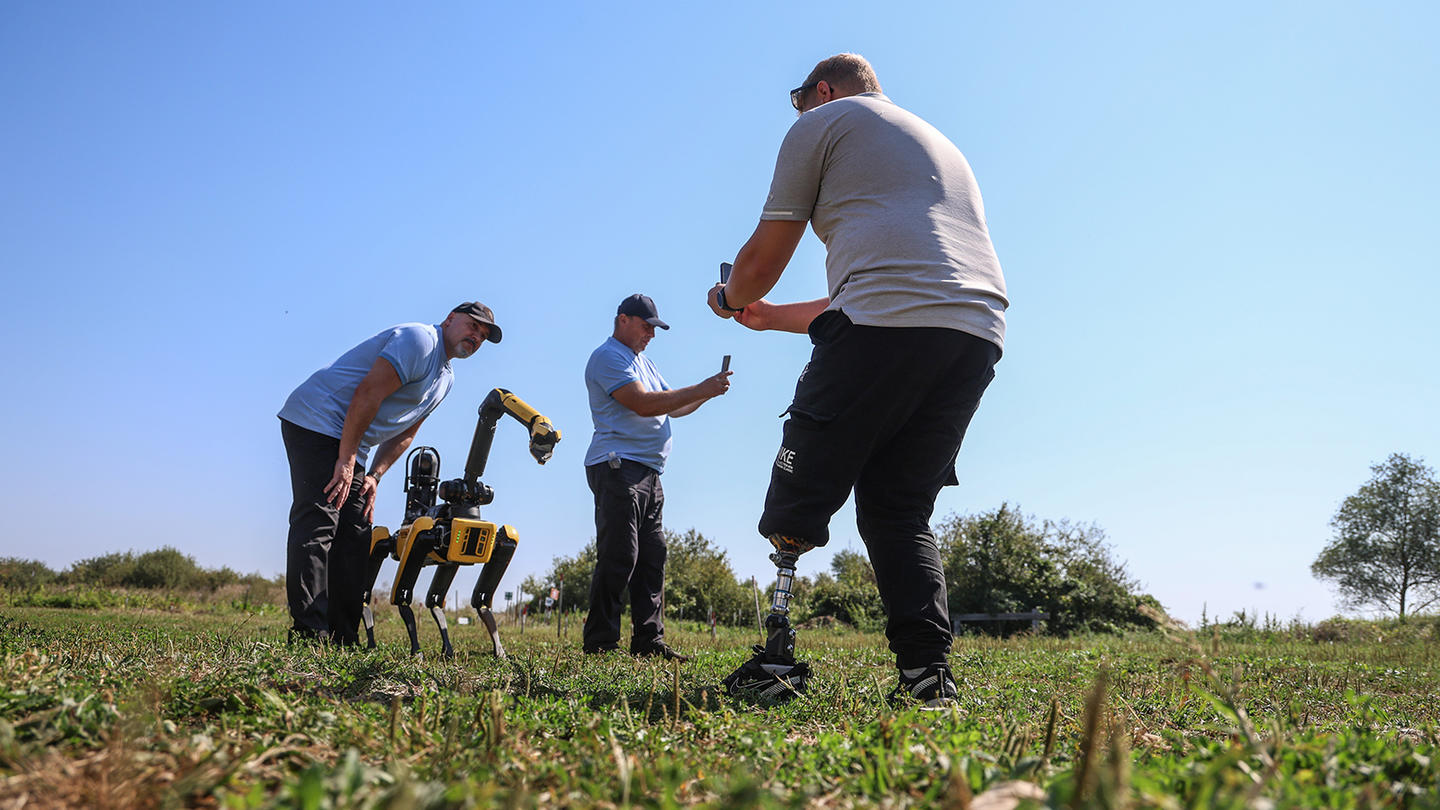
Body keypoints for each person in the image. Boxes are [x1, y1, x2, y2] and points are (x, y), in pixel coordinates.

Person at [708, 54, 1008, 705]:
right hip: (974, 332)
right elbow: (873, 295)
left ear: (822, 90)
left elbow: (762, 259)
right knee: (898, 508)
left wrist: (732, 298)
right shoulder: (932, 143)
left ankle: (777, 659)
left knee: (800, 485)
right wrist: (763, 321)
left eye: (804, 104)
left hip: (886, 323)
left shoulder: (826, 121)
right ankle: (927, 677)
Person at [278, 302, 501, 645]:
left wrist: (375, 475)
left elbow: (406, 432)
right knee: (320, 520)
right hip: (317, 420)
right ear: (450, 319)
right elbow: (367, 393)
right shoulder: (419, 341)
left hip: (351, 439)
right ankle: (310, 632)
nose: (476, 337)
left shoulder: (446, 378)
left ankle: (342, 636)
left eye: (483, 336)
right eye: (473, 326)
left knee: (355, 532)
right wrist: (348, 457)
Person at [582, 294, 732, 660]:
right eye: (646, 326)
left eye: (655, 328)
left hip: (648, 471)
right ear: (622, 320)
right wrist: (701, 389)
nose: (651, 333)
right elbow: (643, 403)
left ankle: (649, 643)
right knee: (620, 555)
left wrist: (709, 392)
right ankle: (600, 644)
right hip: (617, 465)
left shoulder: (643, 362)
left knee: (652, 556)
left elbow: (672, 406)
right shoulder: (608, 357)